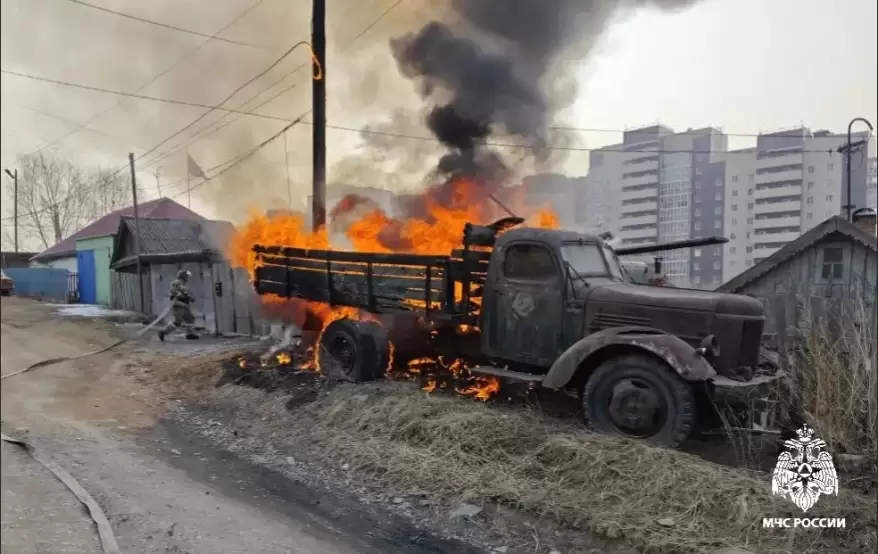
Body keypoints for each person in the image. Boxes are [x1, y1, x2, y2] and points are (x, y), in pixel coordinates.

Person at [158, 269, 198, 341]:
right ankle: (163, 332)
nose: (187, 278)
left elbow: (186, 292)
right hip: (178, 305)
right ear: (183, 276)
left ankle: (190, 334)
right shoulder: (177, 283)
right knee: (178, 322)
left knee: (190, 319)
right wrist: (186, 296)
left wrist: (190, 297)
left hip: (185, 305)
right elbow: (176, 294)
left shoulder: (181, 284)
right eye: (186, 276)